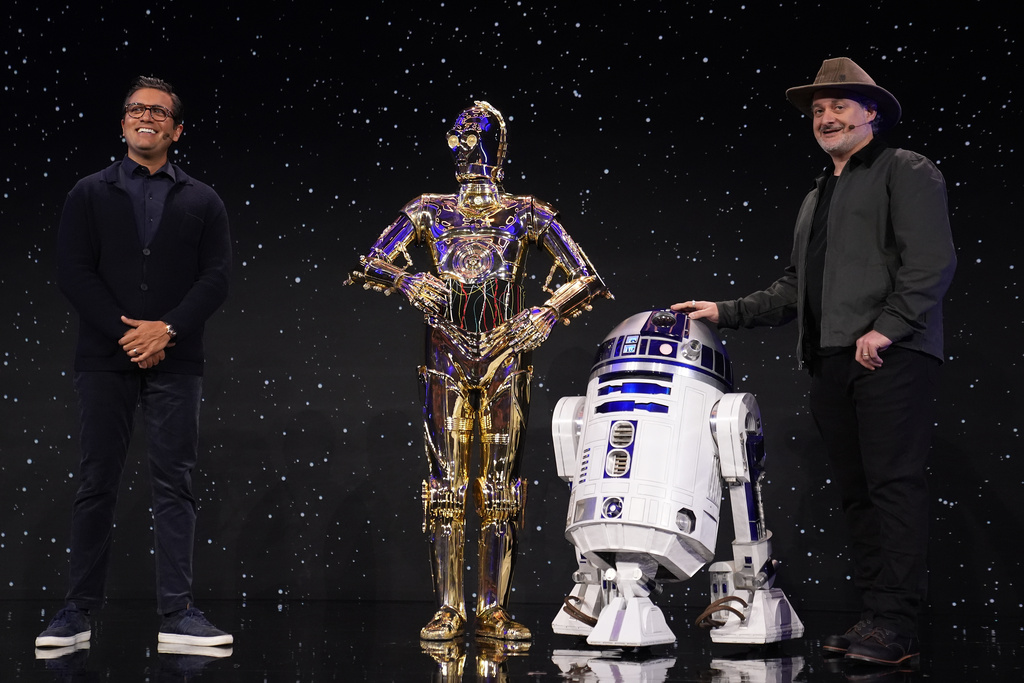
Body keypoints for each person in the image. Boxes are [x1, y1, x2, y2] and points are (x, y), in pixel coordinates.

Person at [673, 58, 955, 667]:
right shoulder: (816, 197)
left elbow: (930, 262)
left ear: (871, 112)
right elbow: (795, 287)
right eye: (818, 110)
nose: (826, 117)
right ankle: (877, 618)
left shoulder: (904, 170)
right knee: (857, 494)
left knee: (892, 488)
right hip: (831, 361)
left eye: (840, 106)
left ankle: (898, 624)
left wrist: (886, 330)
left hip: (891, 356)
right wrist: (725, 311)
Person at [352, 101, 610, 642]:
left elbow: (585, 277)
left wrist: (546, 311)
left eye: (475, 133)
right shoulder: (428, 210)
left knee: (499, 487)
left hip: (506, 354)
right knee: (445, 484)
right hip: (445, 354)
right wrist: (405, 281)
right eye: (459, 132)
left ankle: (492, 607)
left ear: (497, 142)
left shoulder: (527, 212)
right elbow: (373, 259)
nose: (464, 143)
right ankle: (449, 607)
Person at [36, 76, 233, 650]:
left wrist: (166, 329)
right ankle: (77, 612)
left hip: (178, 359)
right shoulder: (88, 192)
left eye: (159, 112)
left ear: (176, 129)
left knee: (175, 483)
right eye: (136, 109)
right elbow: (73, 271)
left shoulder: (203, 199)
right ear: (123, 123)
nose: (146, 117)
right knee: (96, 481)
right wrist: (129, 336)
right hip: (104, 359)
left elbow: (217, 278)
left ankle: (178, 614)